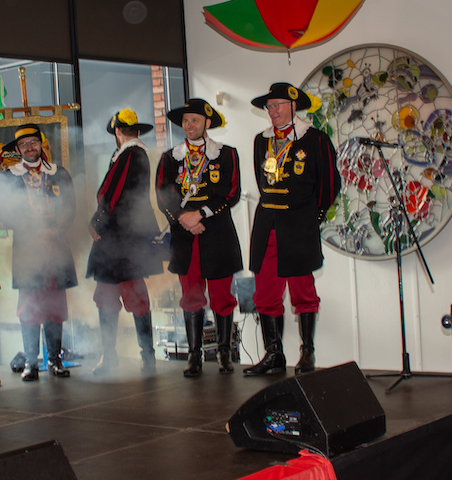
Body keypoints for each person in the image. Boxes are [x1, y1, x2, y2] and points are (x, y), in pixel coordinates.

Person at [244, 83, 340, 377]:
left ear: (293, 106)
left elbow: (330, 184)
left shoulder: (315, 139)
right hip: (267, 225)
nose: (273, 111)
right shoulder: (261, 141)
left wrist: (313, 217)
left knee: (303, 291)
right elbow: (263, 183)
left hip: (299, 225)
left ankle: (307, 351)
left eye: (278, 105)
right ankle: (273, 353)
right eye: (269, 106)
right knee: (265, 292)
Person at [154, 98, 242, 378]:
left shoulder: (226, 154)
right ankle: (195, 354)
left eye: (195, 120)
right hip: (185, 236)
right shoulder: (170, 157)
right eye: (186, 120)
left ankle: (224, 352)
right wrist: (185, 218)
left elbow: (231, 193)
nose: (189, 125)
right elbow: (163, 195)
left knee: (222, 296)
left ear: (207, 123)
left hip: (217, 234)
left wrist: (200, 214)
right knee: (191, 296)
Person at [86, 109, 162, 375]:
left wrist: (97, 222)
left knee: (129, 296)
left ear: (117, 131)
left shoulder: (130, 154)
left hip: (121, 238)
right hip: (123, 237)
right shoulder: (133, 153)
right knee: (110, 296)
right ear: (136, 130)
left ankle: (135, 358)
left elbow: (111, 194)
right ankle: (135, 357)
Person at [0, 124, 76, 381]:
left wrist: (54, 231)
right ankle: (31, 363)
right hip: (27, 251)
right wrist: (34, 232)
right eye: (23, 144)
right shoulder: (9, 177)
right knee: (29, 307)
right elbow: (6, 213)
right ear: (18, 149)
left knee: (55, 306)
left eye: (33, 142)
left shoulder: (59, 173)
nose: (29, 147)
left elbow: (71, 207)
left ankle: (54, 360)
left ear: (42, 144)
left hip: (56, 248)